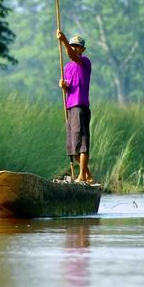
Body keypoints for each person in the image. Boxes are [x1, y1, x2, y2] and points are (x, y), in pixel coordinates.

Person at [56, 31, 93, 183]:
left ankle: (82, 176)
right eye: (73, 46)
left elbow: (72, 56)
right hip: (70, 106)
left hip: (80, 105)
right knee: (73, 146)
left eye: (77, 47)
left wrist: (63, 39)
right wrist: (63, 86)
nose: (75, 48)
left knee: (82, 143)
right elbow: (69, 87)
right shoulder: (67, 68)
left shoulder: (84, 62)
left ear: (82, 49)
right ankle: (88, 175)